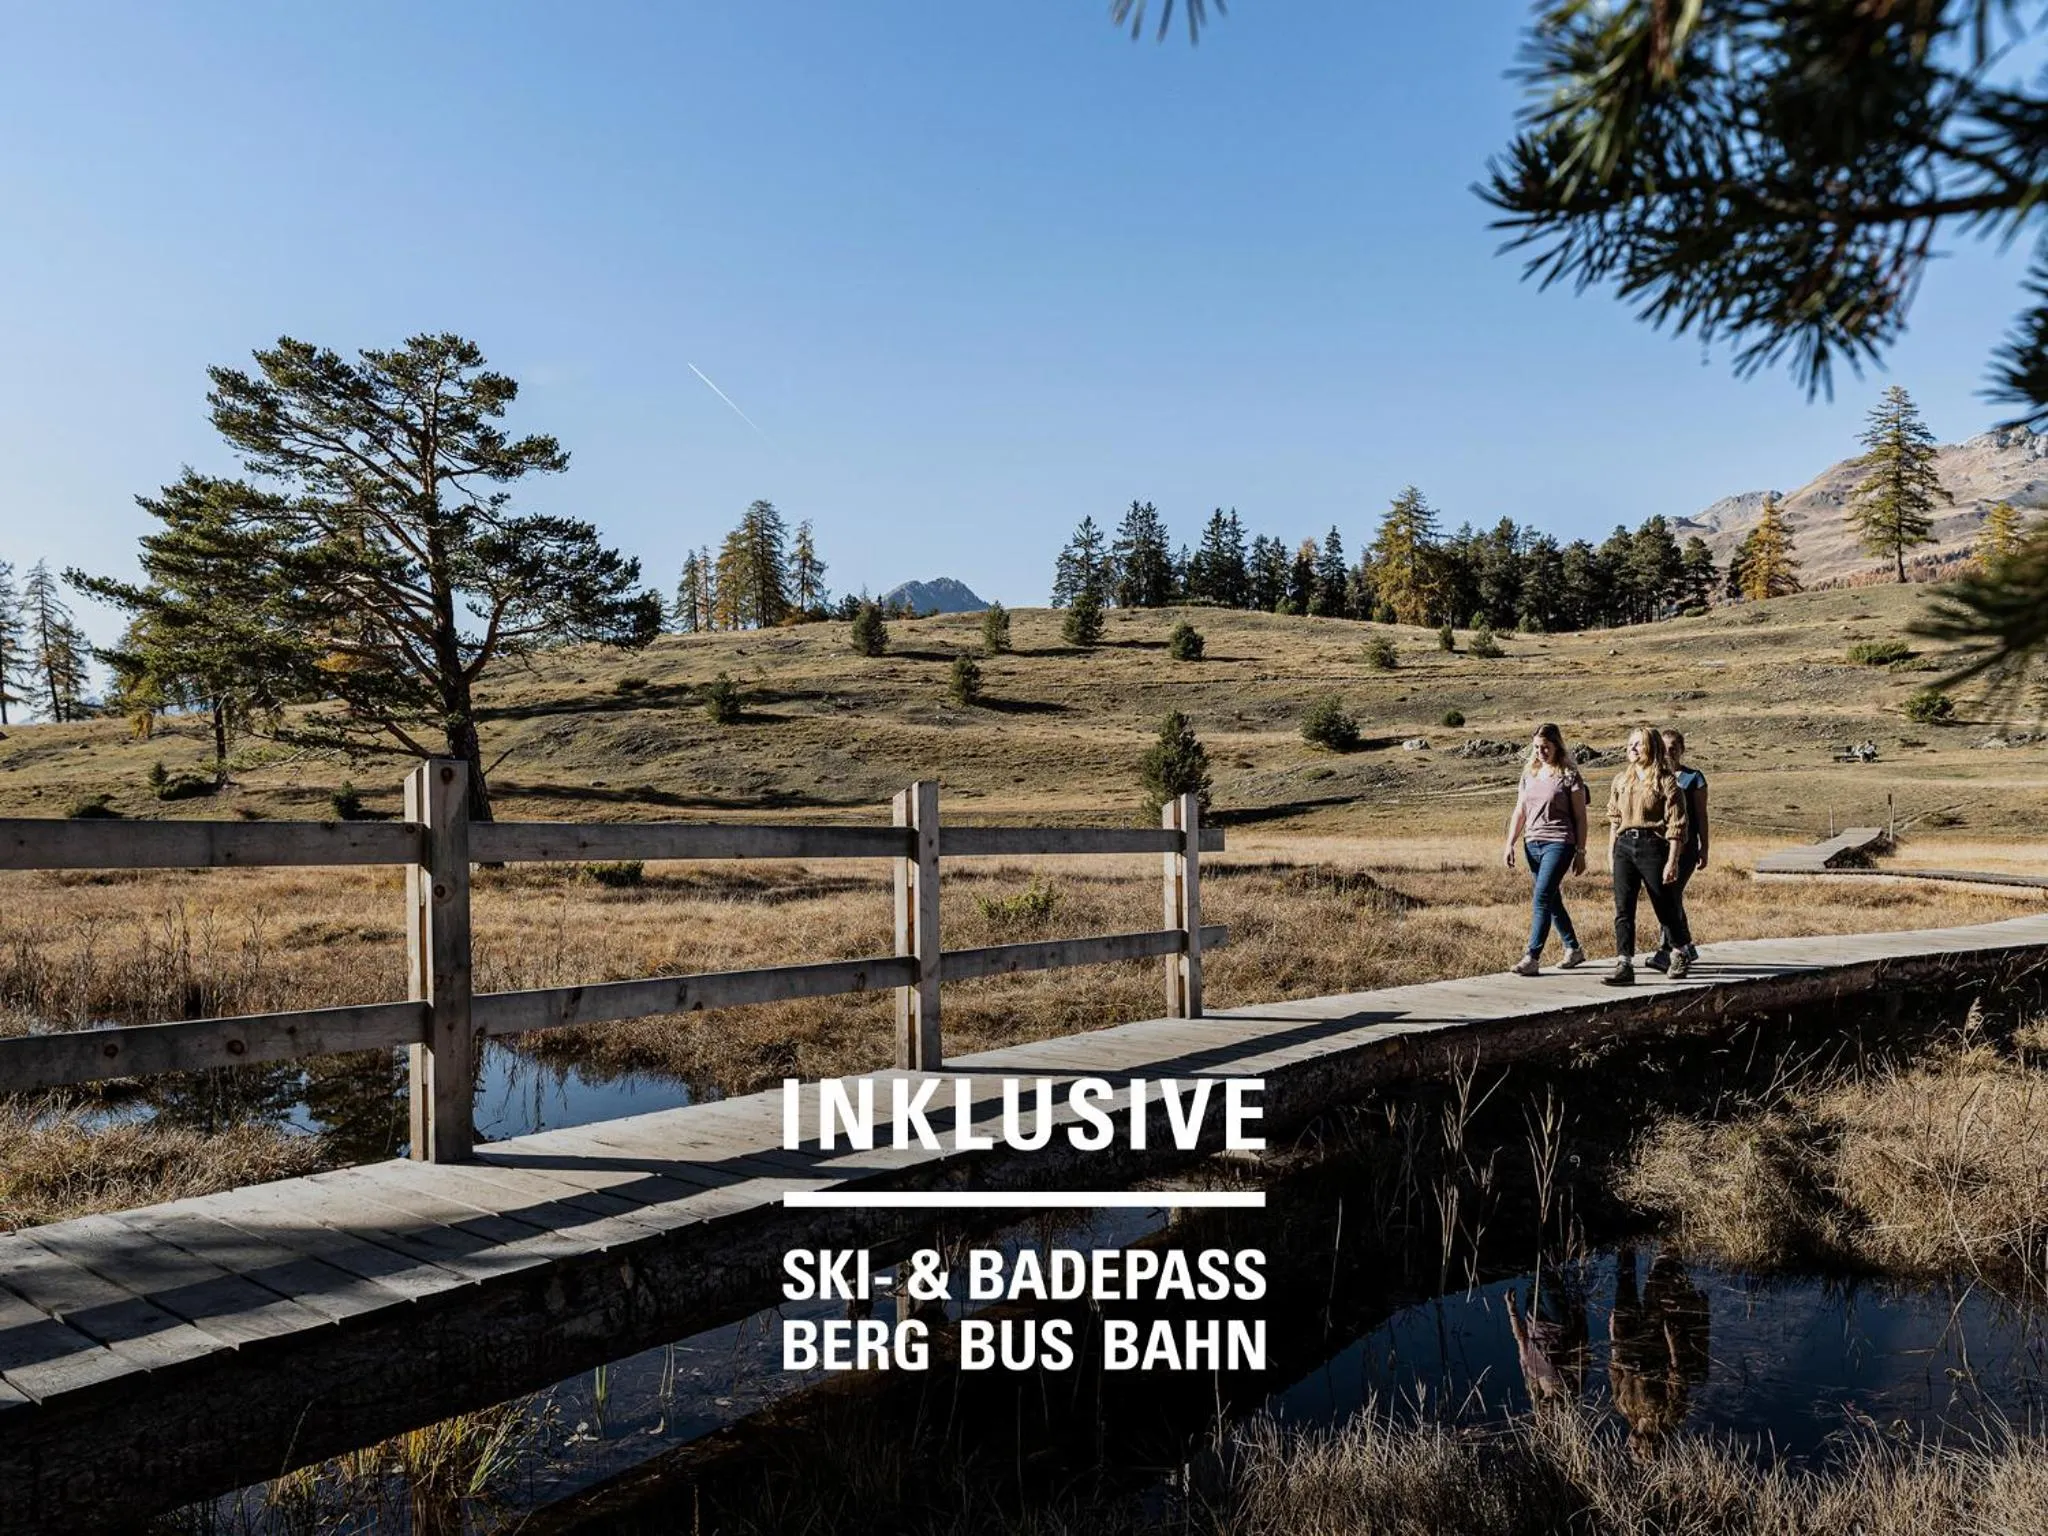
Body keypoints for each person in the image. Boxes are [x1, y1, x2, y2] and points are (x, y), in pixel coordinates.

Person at [1604, 726, 1691, 984]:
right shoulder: (1621, 780)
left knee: (1663, 904)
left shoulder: (1667, 782)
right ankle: (1624, 964)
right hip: (1624, 846)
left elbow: (1677, 825)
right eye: (1630, 743)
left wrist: (1672, 860)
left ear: (1651, 747)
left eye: (1638, 744)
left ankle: (1680, 951)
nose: (1632, 748)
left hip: (1653, 846)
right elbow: (1614, 818)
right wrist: (1611, 852)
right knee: (1623, 907)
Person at [1503, 723, 1589, 975]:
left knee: (1541, 897)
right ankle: (1573, 949)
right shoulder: (1529, 773)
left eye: (1545, 747)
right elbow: (1520, 810)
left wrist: (1581, 852)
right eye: (1537, 747)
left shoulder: (1569, 775)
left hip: (1560, 842)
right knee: (1551, 898)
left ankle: (1532, 957)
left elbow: (1581, 817)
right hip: (1533, 843)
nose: (1541, 752)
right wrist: (1510, 843)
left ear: (1556, 746)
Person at [1648, 729, 1709, 973]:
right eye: (1664, 747)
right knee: (1669, 897)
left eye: (1674, 747)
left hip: (1685, 849)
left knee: (1669, 897)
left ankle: (1666, 951)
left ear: (1682, 749)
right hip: (1659, 848)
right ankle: (1686, 945)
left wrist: (1705, 847)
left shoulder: (1693, 778)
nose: (1669, 752)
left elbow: (1701, 816)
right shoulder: (1653, 777)